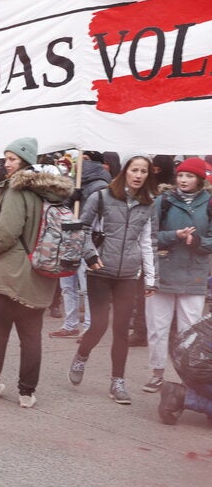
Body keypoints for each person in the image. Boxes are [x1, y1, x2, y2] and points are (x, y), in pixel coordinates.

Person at [0, 137, 71, 408]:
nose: (7, 164)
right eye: (6, 158)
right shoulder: (49, 191)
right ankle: (27, 393)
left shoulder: (17, 190)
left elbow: (6, 233)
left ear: (25, 161)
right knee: (31, 338)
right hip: (39, 273)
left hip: (10, 275)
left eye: (12, 159)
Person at [68, 154, 158, 404]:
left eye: (143, 171)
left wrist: (151, 278)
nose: (138, 175)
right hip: (99, 270)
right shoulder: (102, 196)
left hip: (128, 274)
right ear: (125, 171)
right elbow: (82, 229)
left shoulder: (148, 204)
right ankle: (82, 355)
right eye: (134, 170)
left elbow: (148, 242)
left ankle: (118, 381)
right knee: (98, 325)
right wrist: (90, 255)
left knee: (121, 328)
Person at [142, 157, 212, 393]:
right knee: (157, 328)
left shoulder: (210, 203)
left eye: (189, 176)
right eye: (181, 175)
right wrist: (174, 235)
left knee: (190, 333)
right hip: (163, 272)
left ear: (199, 179)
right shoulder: (163, 201)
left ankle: (187, 380)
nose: (183, 180)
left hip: (194, 275)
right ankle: (157, 373)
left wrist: (198, 241)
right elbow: (148, 235)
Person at [49, 151, 111, 339]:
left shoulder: (101, 186)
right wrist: (68, 197)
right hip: (67, 240)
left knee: (86, 287)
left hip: (86, 241)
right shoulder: (69, 182)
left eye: (85, 159)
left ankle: (89, 327)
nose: (80, 163)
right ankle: (70, 324)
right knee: (67, 285)